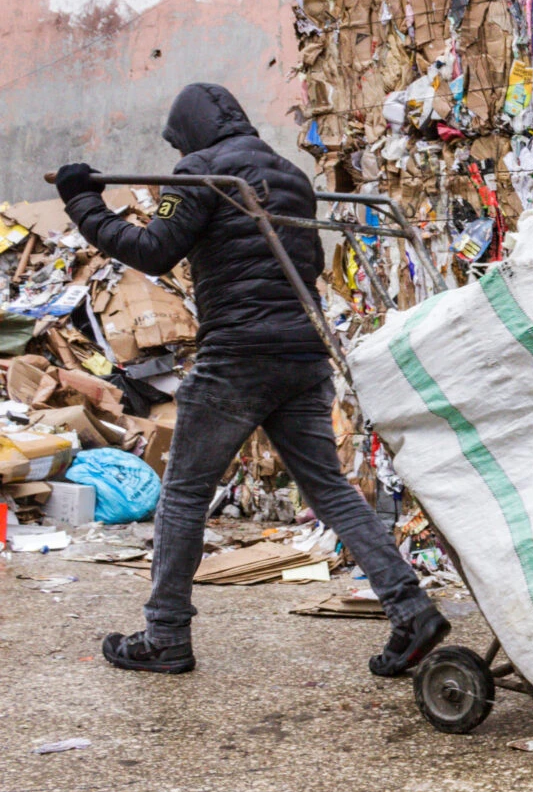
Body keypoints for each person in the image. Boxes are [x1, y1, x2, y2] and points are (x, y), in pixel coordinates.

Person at [56, 82, 450, 677]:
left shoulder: (200, 171)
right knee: (331, 488)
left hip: (237, 356)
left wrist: (83, 203)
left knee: (185, 493)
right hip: (302, 352)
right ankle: (409, 604)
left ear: (189, 132)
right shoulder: (288, 174)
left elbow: (153, 250)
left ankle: (165, 635)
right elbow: (308, 263)